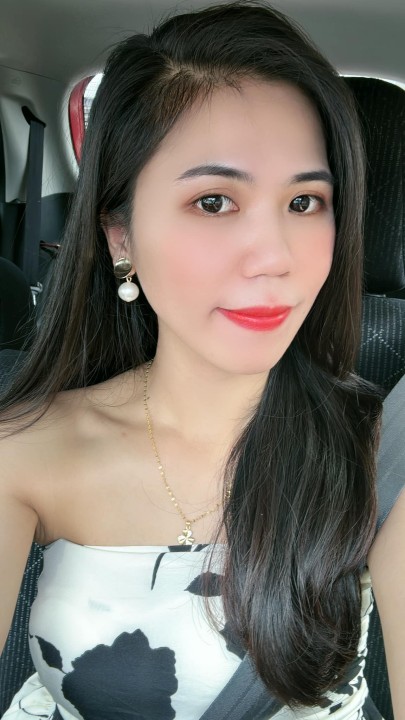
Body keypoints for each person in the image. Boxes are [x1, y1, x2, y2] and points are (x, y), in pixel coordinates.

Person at [0, 2, 402, 718]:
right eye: (213, 201)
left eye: (305, 202)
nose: (274, 258)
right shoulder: (24, 448)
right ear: (120, 237)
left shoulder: (381, 449)